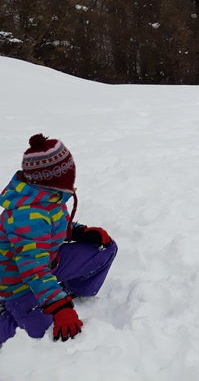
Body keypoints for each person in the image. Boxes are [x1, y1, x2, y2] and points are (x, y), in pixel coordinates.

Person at [0, 134, 117, 345]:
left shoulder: (49, 194)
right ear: (55, 176)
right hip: (20, 284)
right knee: (43, 335)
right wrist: (60, 308)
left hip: (48, 263)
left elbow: (51, 228)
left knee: (104, 249)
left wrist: (79, 232)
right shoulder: (26, 215)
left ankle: (66, 291)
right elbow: (33, 269)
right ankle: (9, 314)